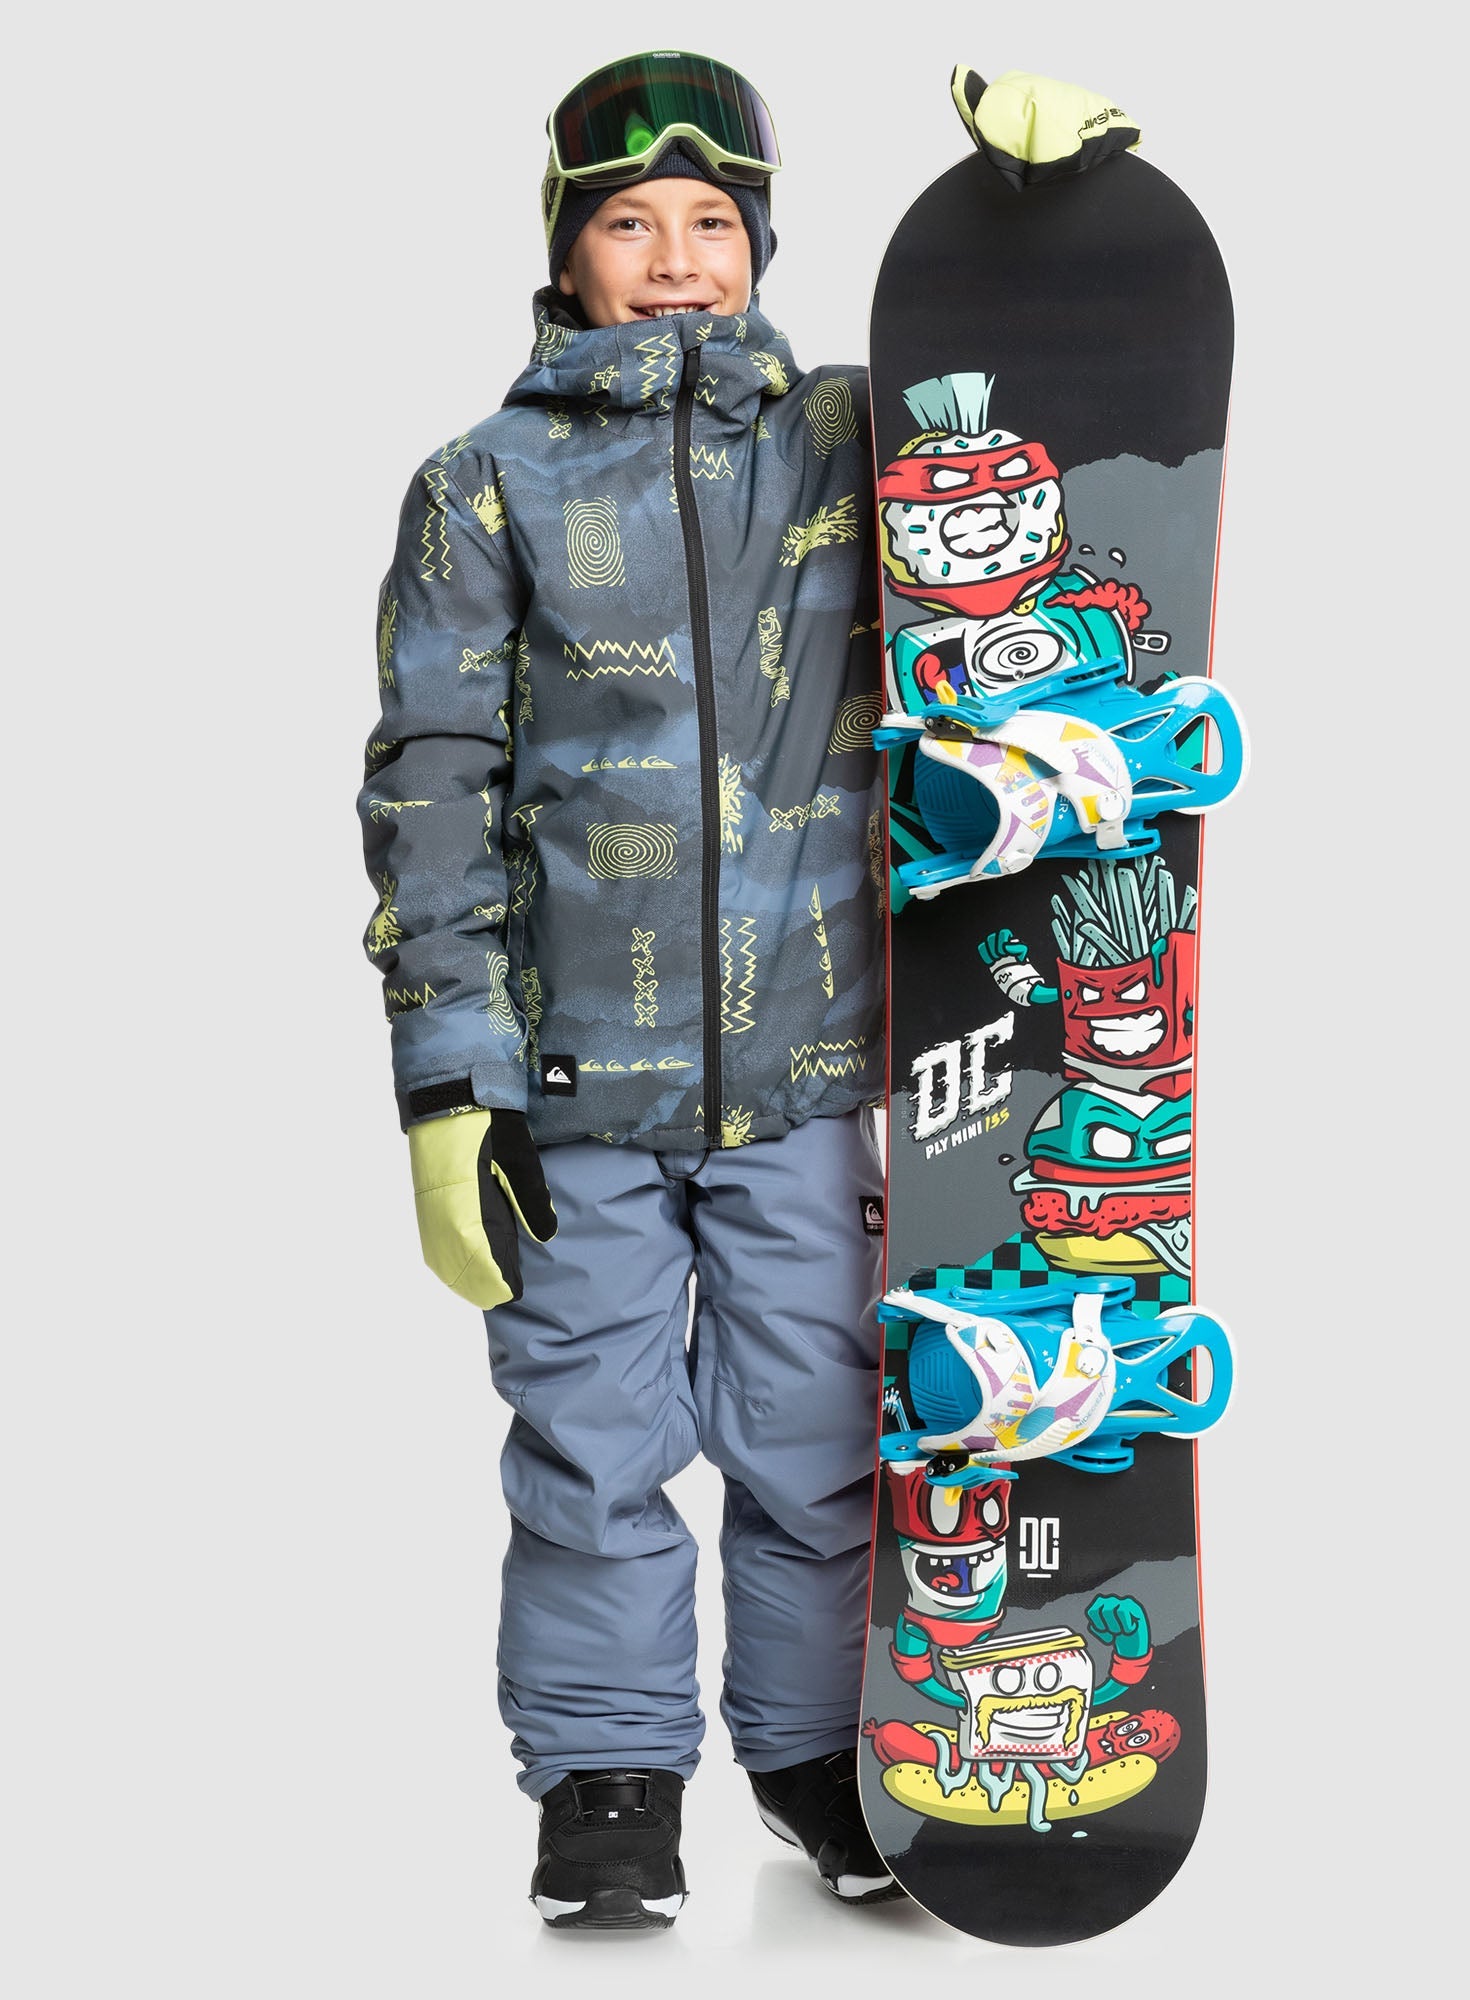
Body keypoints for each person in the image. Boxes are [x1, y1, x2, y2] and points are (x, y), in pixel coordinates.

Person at [358, 50, 893, 1930]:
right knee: (588, 1443)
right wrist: (452, 1086)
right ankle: (607, 1775)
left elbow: (1031, 472)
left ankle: (821, 1751)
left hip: (810, 1064)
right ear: (566, 253)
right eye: (630, 225)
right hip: (574, 1084)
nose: (675, 261)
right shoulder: (483, 487)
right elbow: (433, 787)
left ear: (761, 247)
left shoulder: (847, 442)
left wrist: (1045, 226)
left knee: (821, 1434)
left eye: (712, 223)